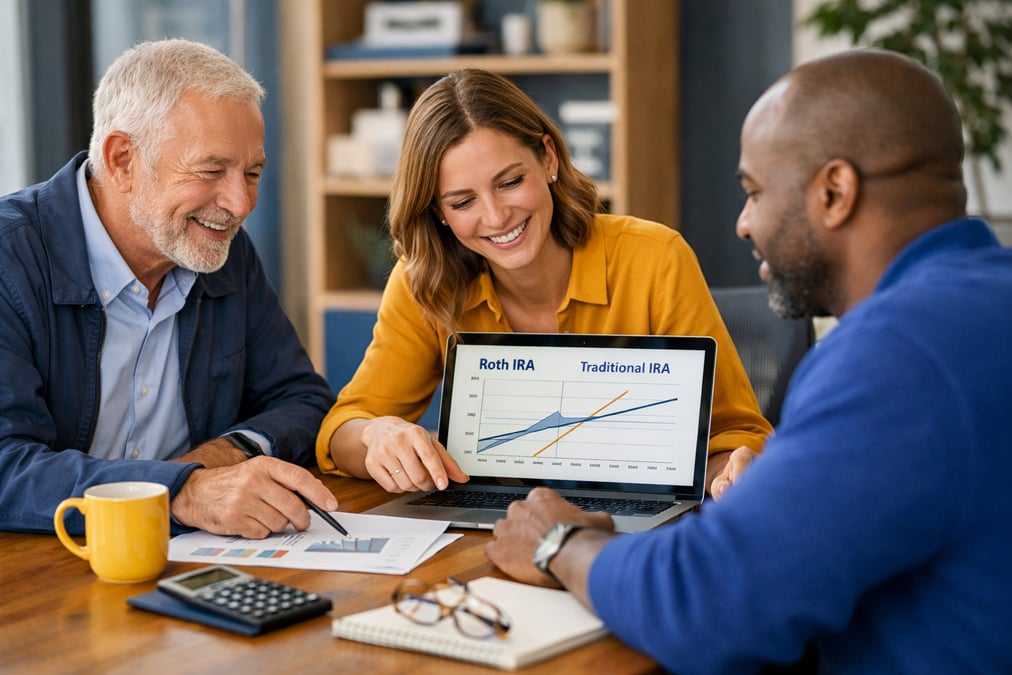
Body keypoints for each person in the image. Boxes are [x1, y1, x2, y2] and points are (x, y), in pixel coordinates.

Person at [485, 49, 1012, 673]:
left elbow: (708, 604)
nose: (742, 223)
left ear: (835, 191)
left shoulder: (899, 354)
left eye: (755, 192)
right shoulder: (984, 301)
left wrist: (559, 542)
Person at [315, 68, 771, 496]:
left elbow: (737, 435)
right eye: (462, 201)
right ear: (437, 211)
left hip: (633, 528)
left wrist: (728, 472)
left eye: (510, 182)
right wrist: (377, 433)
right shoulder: (425, 282)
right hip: (489, 529)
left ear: (548, 158)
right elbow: (342, 431)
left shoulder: (655, 259)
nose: (495, 217)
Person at [0, 39, 337, 540]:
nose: (241, 203)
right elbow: (7, 467)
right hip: (44, 568)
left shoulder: (221, 250)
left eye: (252, 173)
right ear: (122, 160)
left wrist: (215, 460)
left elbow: (302, 400)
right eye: (211, 171)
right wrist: (180, 491)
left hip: (190, 555)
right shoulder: (11, 258)